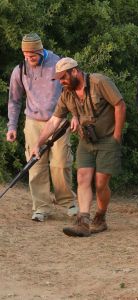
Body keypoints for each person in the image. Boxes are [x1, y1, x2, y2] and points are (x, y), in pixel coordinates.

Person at [31, 57, 126, 237]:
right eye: (59, 78)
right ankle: (83, 222)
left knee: (100, 184)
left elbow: (119, 105)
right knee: (82, 178)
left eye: (63, 77)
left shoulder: (100, 81)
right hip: (86, 140)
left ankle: (101, 216)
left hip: (107, 139)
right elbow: (54, 122)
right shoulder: (67, 94)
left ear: (74, 71)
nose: (61, 81)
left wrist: (117, 135)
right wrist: (38, 143)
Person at [6, 33, 76, 222]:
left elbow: (72, 91)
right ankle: (41, 207)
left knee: (61, 163)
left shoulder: (57, 63)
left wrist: (76, 115)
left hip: (59, 120)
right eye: (26, 55)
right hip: (33, 121)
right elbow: (14, 100)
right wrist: (11, 126)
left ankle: (68, 202)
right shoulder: (20, 70)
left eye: (32, 55)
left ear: (40, 50)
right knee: (35, 165)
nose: (29, 59)